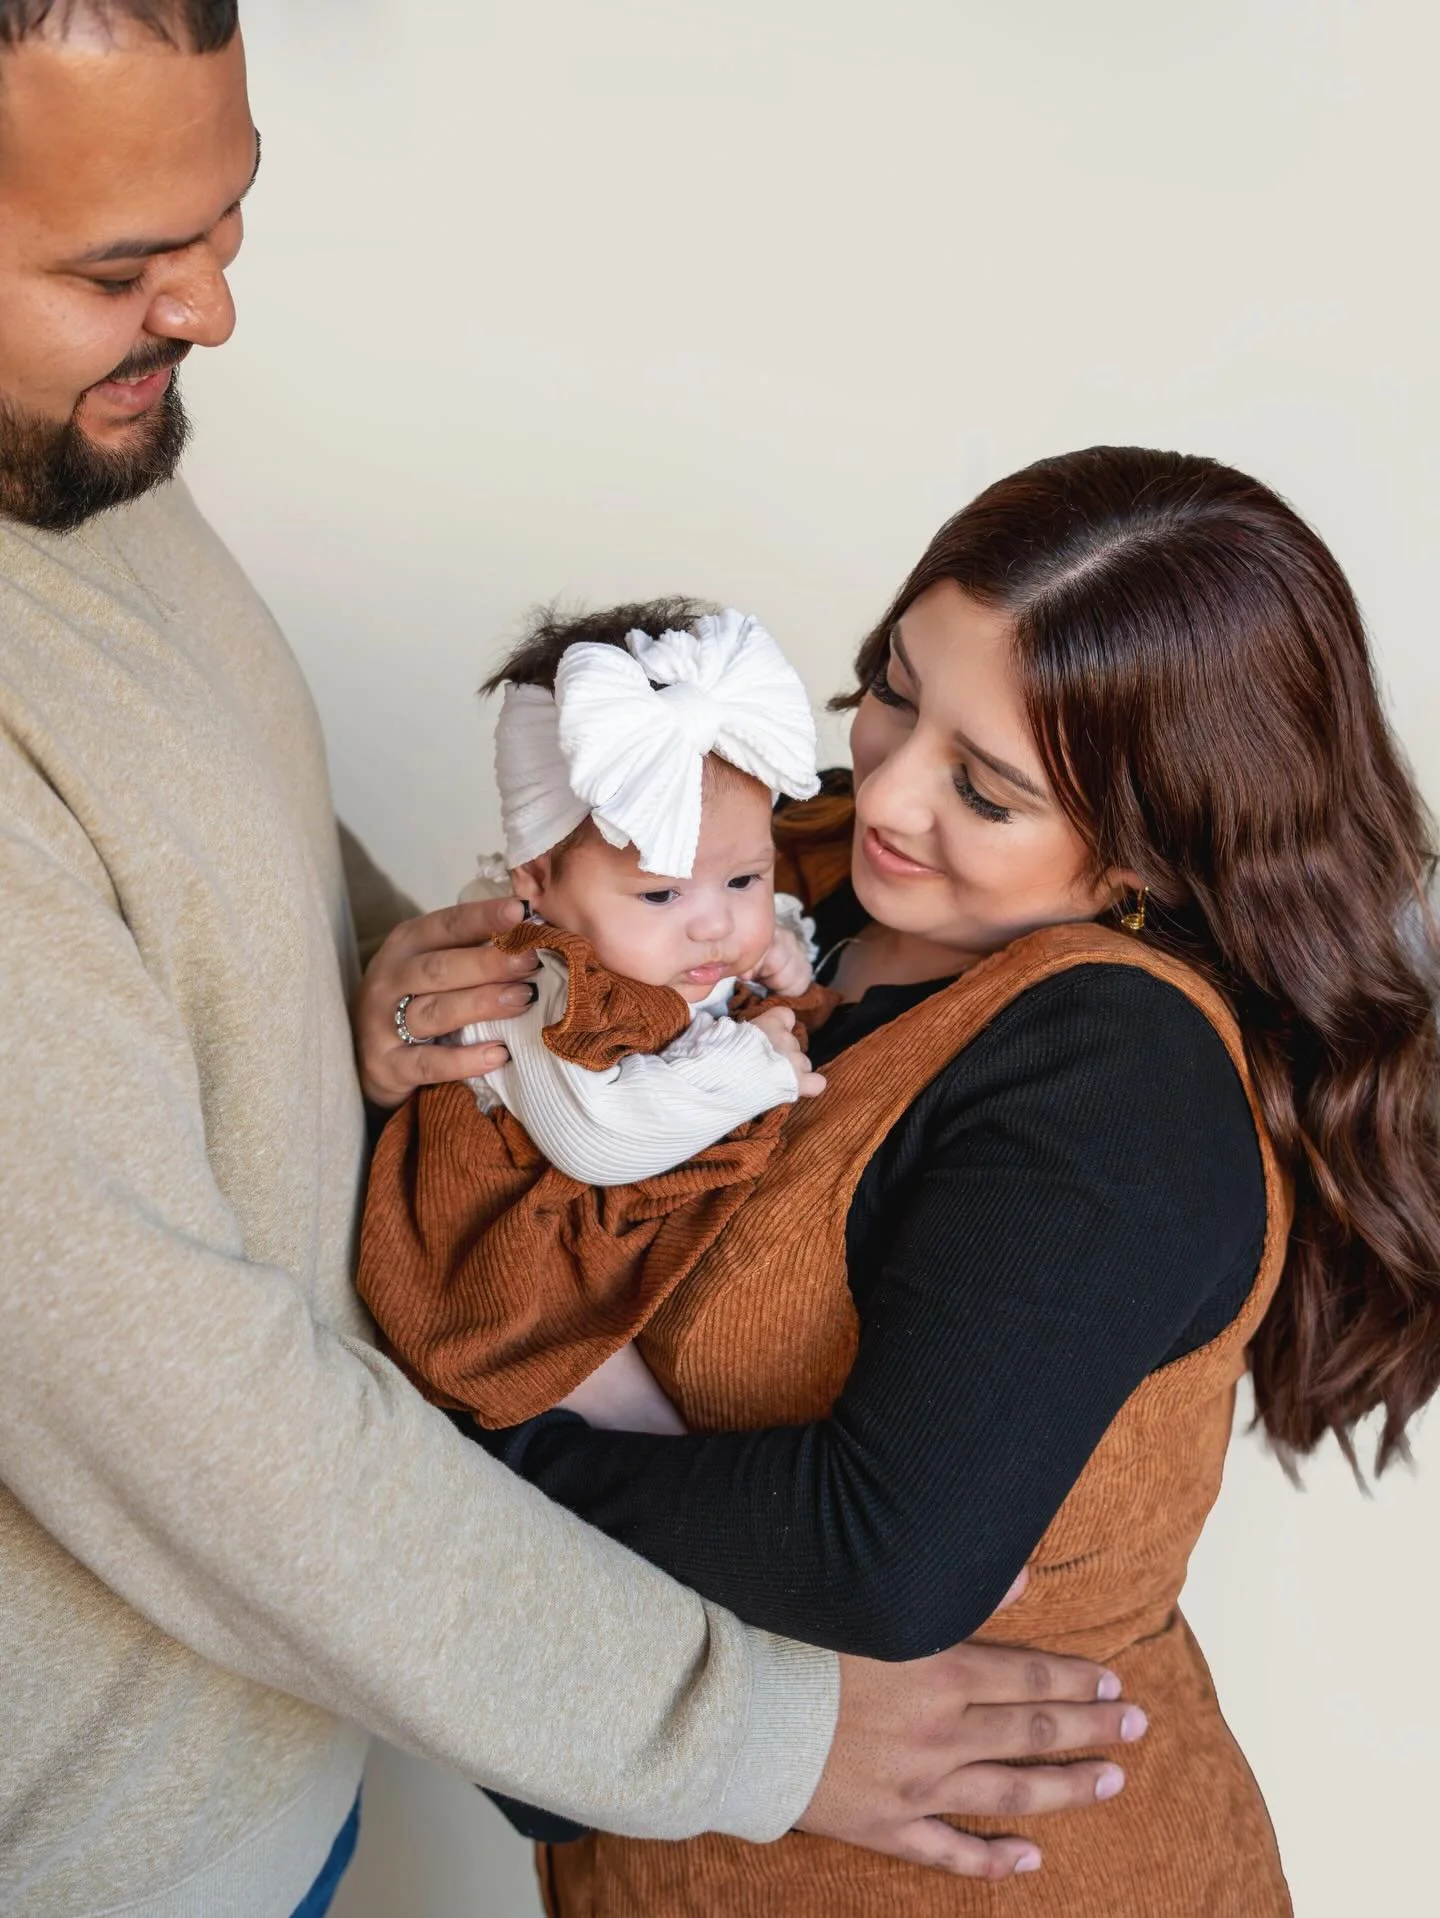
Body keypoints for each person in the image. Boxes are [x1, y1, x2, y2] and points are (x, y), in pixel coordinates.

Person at [0, 7, 1144, 1915]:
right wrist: (753, 1725)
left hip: (269, 1753)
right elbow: (184, 1423)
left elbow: (202, 875)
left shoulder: (74, 467)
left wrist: (392, 986)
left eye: (227, 225)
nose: (205, 314)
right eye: (120, 266)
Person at [360, 445, 1440, 1915]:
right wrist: (411, 1016)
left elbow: (879, 1556)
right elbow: (534, 1164)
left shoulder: (1112, 1072)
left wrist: (423, 1472)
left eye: (985, 790)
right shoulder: (787, 865)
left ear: (1149, 843)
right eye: (893, 687)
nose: (886, 790)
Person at [359, 597, 837, 1435]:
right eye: (661, 891)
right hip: (521, 1273)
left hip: (618, 1238)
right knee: (656, 1429)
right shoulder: (532, 974)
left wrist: (780, 938)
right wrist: (754, 1063)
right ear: (535, 879)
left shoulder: (667, 943)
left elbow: (722, 921)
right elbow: (598, 1136)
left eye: (744, 880)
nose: (715, 924)